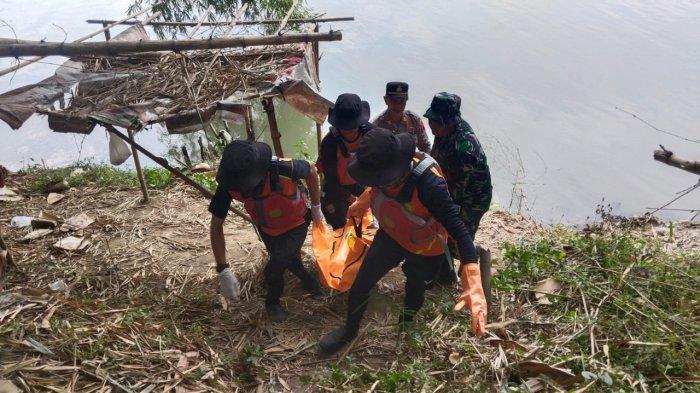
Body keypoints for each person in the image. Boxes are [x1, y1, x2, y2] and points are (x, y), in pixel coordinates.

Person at [318, 128, 487, 354]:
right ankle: (350, 330)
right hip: (391, 235)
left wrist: (473, 281)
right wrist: (361, 203)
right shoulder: (382, 167)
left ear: (397, 172)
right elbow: (373, 188)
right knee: (361, 283)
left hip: (425, 246)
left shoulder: (429, 186)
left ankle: (405, 325)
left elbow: (459, 230)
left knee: (415, 287)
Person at [209, 140, 327, 322]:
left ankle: (272, 303)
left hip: (297, 223)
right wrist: (223, 269)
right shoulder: (229, 185)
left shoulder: (284, 168)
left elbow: (311, 171)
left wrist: (317, 207)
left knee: (274, 268)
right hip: (267, 228)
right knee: (288, 259)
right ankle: (309, 281)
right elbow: (216, 226)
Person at [424, 92, 493, 290]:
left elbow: (457, 190)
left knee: (458, 236)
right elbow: (436, 159)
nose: (432, 125)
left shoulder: (465, 149)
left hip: (471, 200)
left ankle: (469, 282)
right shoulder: (444, 131)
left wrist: (435, 204)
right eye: (431, 120)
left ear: (450, 121)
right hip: (452, 189)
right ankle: (444, 276)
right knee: (442, 234)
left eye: (437, 122)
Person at [317, 93, 373, 229]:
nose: (348, 130)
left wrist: (367, 197)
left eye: (352, 126)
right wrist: (354, 201)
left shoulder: (371, 134)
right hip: (335, 188)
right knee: (342, 225)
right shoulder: (329, 143)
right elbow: (331, 180)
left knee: (368, 224)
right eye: (344, 126)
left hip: (359, 183)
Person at [372, 82, 431, 153]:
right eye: (394, 101)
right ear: (386, 100)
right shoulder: (377, 125)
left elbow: (425, 147)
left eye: (402, 101)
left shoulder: (414, 120)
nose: (398, 105)